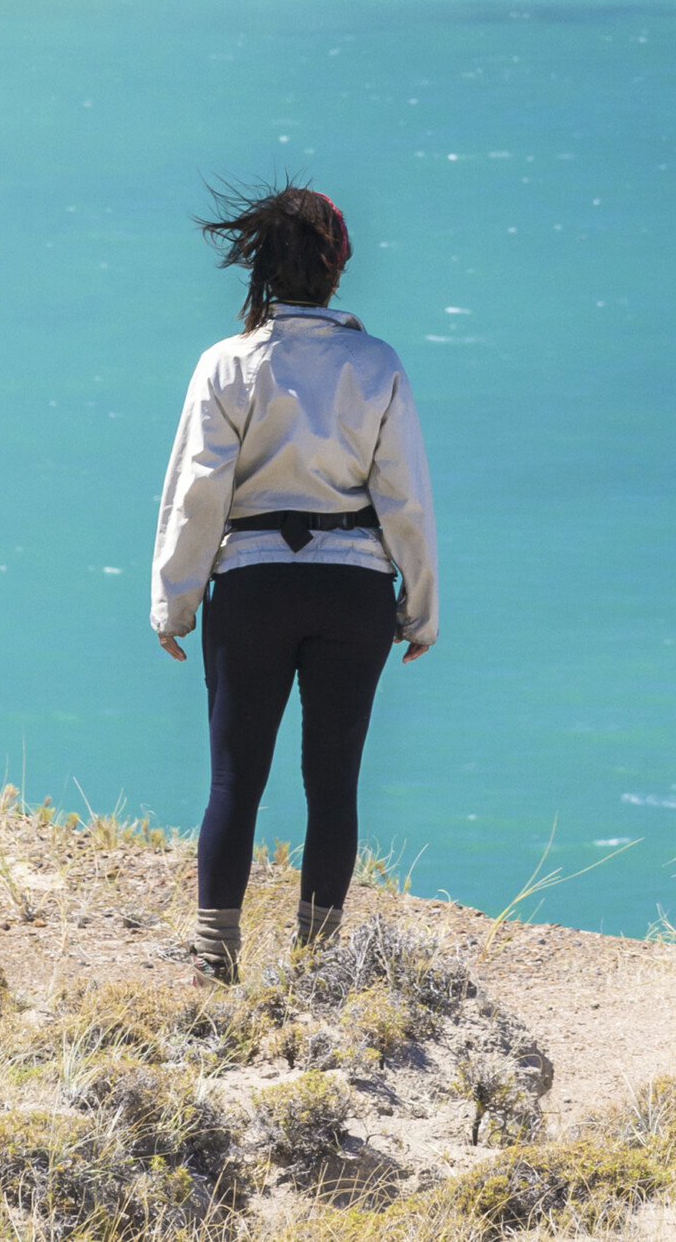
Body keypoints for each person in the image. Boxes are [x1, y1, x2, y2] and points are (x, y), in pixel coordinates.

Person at [146, 181, 439, 985]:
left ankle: (214, 962)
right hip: (352, 592)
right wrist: (420, 607)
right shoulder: (377, 364)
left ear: (264, 269)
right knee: (333, 782)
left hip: (252, 587)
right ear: (338, 267)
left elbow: (198, 492)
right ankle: (315, 969)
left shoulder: (227, 364)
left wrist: (173, 601)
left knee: (235, 779)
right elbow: (403, 497)